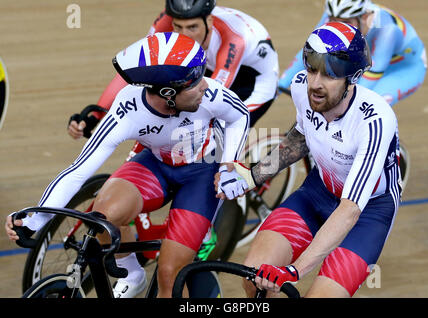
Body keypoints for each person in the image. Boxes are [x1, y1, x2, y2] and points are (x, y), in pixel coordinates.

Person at [5, 32, 250, 298]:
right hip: (157, 164)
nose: (205, 85)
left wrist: (228, 166)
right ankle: (131, 274)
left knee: (170, 277)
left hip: (201, 174)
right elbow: (79, 171)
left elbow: (240, 117)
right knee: (101, 216)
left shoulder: (211, 94)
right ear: (168, 92)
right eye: (195, 81)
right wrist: (38, 217)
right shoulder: (129, 109)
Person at [216, 22, 401, 297]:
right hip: (318, 193)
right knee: (255, 278)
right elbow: (300, 138)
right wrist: (251, 176)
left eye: (329, 76)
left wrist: (294, 270)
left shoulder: (375, 120)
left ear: (352, 78)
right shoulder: (302, 86)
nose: (315, 83)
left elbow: (350, 210)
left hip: (366, 213)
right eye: (312, 69)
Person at [68, 0, 279, 139]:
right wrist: (96, 114)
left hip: (251, 83)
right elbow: (136, 69)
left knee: (212, 140)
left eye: (193, 28)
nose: (184, 36)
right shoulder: (165, 21)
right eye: (178, 27)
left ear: (210, 22)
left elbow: (212, 95)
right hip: (202, 69)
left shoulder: (234, 39)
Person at [278, 0, 427, 107]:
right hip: (367, 61)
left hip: (403, 69)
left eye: (346, 22)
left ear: (364, 17)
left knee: (369, 105)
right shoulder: (336, 15)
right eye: (333, 20)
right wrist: (282, 83)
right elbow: (311, 50)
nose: (338, 26)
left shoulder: (387, 29)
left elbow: (372, 75)